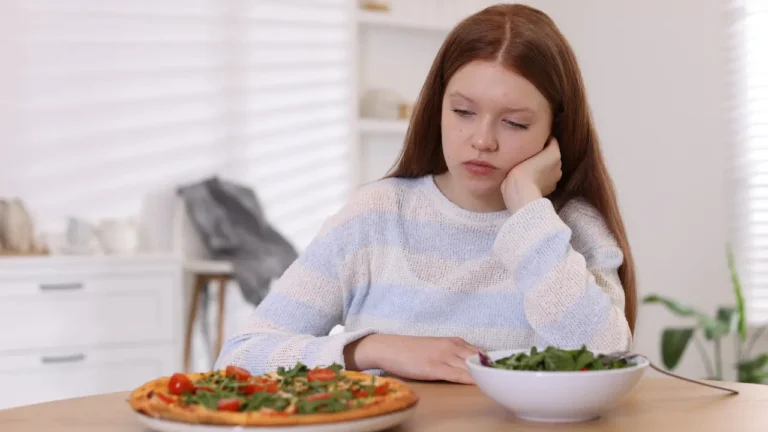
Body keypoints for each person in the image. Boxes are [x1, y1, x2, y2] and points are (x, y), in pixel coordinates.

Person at [214, 3, 636, 385]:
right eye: (463, 112)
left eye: (515, 123)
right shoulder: (375, 215)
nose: (482, 140)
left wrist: (528, 209)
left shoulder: (569, 228)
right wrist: (372, 349)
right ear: (437, 108)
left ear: (553, 130)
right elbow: (240, 357)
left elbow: (607, 361)